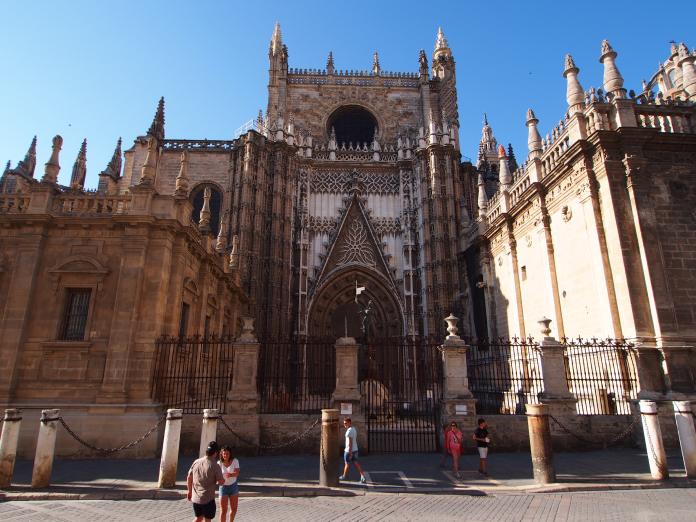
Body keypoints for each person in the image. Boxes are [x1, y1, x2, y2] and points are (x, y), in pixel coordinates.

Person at [187, 441, 225, 522]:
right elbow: (221, 482)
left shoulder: (196, 462)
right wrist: (223, 479)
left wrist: (189, 491)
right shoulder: (215, 465)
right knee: (207, 519)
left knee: (198, 518)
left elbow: (189, 477)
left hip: (196, 498)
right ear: (215, 453)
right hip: (208, 499)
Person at [339, 418, 366, 483]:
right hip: (355, 450)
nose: (344, 424)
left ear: (349, 423)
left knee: (347, 464)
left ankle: (344, 476)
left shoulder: (349, 431)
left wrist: (350, 452)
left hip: (349, 451)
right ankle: (362, 476)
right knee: (356, 463)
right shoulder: (354, 429)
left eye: (346, 423)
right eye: (344, 423)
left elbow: (350, 442)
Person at [218, 445, 240, 522]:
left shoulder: (235, 461)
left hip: (233, 486)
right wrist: (218, 481)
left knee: (234, 509)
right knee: (223, 510)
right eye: (224, 454)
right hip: (223, 487)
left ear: (230, 454)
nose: (225, 455)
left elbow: (237, 473)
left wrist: (230, 475)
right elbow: (216, 476)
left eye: (227, 453)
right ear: (221, 454)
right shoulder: (219, 463)